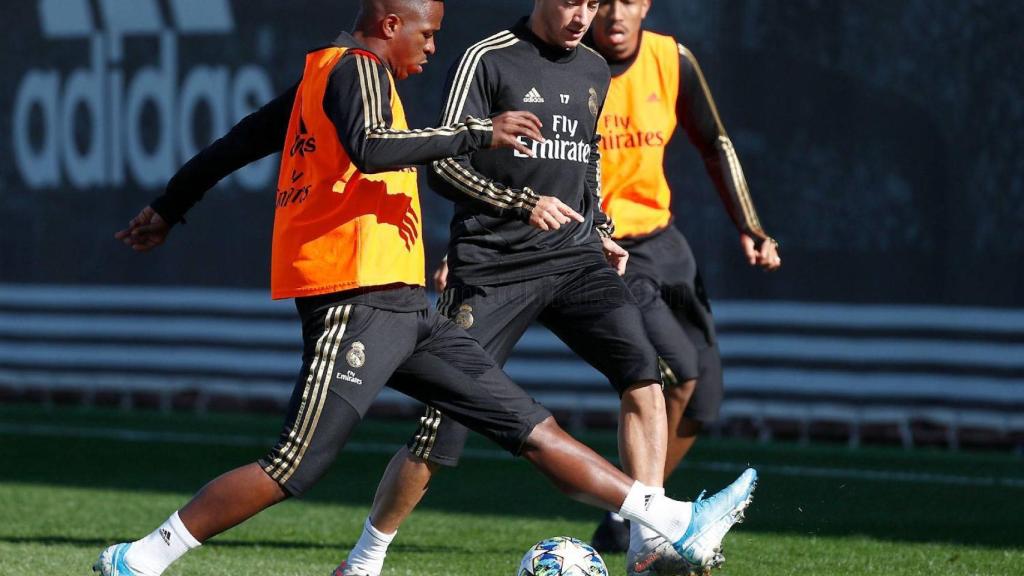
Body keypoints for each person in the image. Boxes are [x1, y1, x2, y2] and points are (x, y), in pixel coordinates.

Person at [92, 1, 756, 575]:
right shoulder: (352, 70)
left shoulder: (345, 79)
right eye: (427, 33)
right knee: (294, 466)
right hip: (352, 300)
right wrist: (479, 132)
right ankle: (143, 558)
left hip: (406, 305)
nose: (433, 47)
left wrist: (170, 206)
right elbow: (373, 147)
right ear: (388, 24)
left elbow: (233, 144)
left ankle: (672, 519)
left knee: (530, 426)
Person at [338, 2, 755, 576]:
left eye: (592, 2)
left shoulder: (592, 68)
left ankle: (647, 545)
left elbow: (586, 163)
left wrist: (599, 228)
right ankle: (363, 562)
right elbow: (442, 166)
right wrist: (520, 203)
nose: (583, 14)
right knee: (442, 429)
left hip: (575, 260)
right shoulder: (487, 59)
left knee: (644, 376)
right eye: (570, 2)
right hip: (492, 269)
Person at [583, 0, 782, 555]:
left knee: (705, 398)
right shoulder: (570, 68)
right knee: (680, 371)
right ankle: (652, 525)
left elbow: (715, 142)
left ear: (645, 4)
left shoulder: (673, 59)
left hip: (666, 243)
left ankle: (630, 515)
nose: (616, 14)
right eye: (604, 2)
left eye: (629, 0)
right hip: (609, 251)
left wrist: (751, 225)